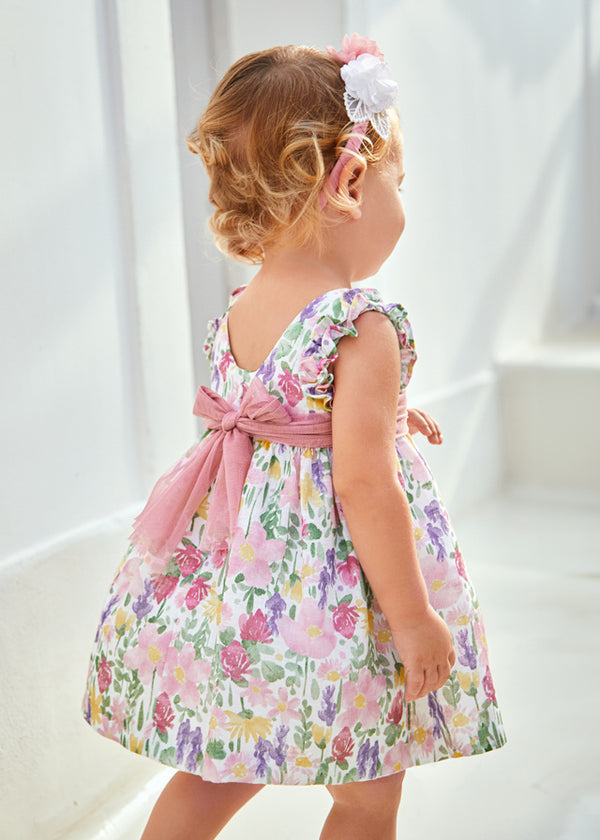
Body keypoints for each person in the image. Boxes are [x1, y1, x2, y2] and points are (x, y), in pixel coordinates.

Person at [82, 33, 506, 840]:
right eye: (397, 183)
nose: (402, 205)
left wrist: (383, 411)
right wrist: (413, 619)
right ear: (349, 182)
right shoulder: (362, 322)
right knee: (368, 787)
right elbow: (361, 482)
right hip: (339, 598)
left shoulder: (246, 307)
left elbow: (286, 416)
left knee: (219, 770)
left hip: (248, 586)